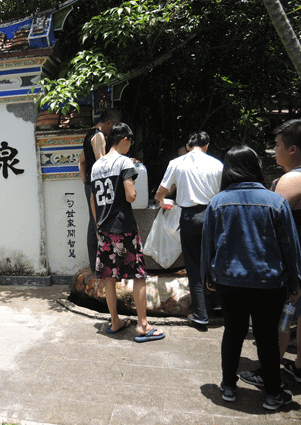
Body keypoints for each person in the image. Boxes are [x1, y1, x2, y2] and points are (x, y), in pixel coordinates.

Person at [201, 145, 300, 410]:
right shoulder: (275, 201)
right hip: (268, 282)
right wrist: (294, 282)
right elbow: (290, 247)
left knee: (232, 332)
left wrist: (207, 275)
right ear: (254, 167)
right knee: (267, 336)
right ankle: (271, 394)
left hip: (228, 281)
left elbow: (207, 244)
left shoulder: (217, 202)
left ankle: (228, 387)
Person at [239, 119, 301, 388]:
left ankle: (268, 374)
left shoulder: (291, 179)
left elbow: (269, 223)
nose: (273, 150)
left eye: (277, 145)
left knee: (280, 320)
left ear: (292, 149)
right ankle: (298, 367)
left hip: (290, 262)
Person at [90, 123, 165, 342]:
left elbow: (93, 199)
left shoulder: (96, 166)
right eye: (130, 142)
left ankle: (115, 321)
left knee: (109, 278)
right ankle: (143, 326)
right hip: (124, 228)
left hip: (104, 228)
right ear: (125, 140)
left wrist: (98, 226)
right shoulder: (124, 162)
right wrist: (130, 185)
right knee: (138, 275)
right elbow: (131, 195)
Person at [155, 132, 223, 326]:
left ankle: (201, 315)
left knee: (193, 265)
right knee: (214, 260)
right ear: (207, 145)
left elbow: (162, 191)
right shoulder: (218, 165)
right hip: (213, 216)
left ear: (188, 146)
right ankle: (218, 304)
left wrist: (160, 200)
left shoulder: (177, 163)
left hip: (189, 218)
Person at [78, 109, 122, 273]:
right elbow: (102, 164)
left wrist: (85, 182)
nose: (114, 131)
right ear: (109, 123)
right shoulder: (99, 136)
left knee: (93, 223)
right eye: (115, 126)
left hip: (91, 184)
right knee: (100, 222)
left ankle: (94, 263)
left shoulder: (89, 135)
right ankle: (102, 264)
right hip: (98, 186)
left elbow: (81, 161)